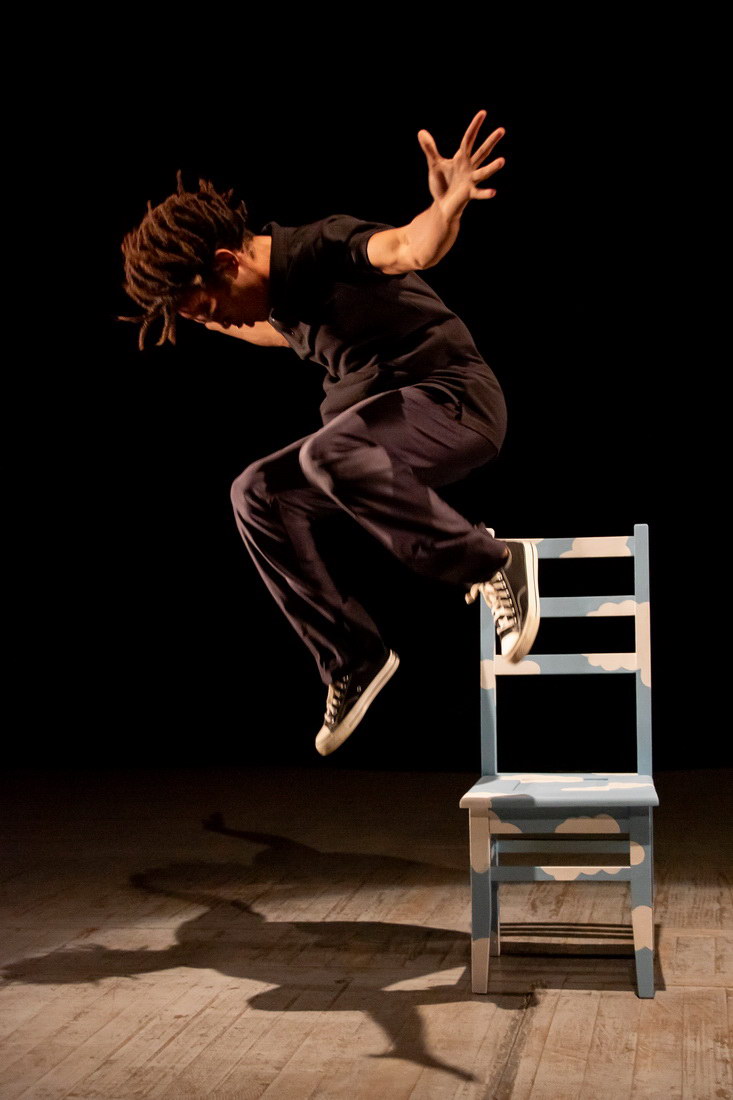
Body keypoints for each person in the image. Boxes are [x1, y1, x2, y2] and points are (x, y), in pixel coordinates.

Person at [117, 109, 540, 757]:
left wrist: (447, 206)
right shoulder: (280, 300)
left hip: (452, 401)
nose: (219, 326)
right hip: (377, 434)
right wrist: (205, 316)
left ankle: (491, 561)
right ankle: (352, 656)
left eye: (211, 310)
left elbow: (407, 247)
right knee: (255, 491)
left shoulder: (321, 248)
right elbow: (268, 329)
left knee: (329, 453)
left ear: (228, 262)